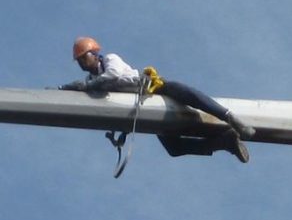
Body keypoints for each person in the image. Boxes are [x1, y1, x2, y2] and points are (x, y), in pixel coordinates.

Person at [59, 37, 255, 163]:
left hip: (153, 90)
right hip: (141, 107)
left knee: (190, 96)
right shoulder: (91, 81)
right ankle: (225, 142)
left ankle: (231, 119)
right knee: (174, 149)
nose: (83, 65)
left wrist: (87, 87)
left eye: (84, 59)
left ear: (94, 55)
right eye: (80, 62)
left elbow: (114, 76)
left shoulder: (109, 60)